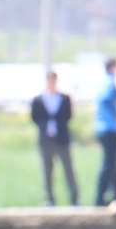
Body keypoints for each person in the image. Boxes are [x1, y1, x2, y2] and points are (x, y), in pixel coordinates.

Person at [30, 70, 80, 205]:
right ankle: (50, 199)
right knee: (47, 171)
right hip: (46, 139)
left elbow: (68, 116)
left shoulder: (64, 98)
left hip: (62, 139)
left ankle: (75, 198)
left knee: (68, 169)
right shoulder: (38, 100)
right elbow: (35, 117)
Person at [92, 56, 116, 206]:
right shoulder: (110, 83)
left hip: (103, 127)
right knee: (109, 163)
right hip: (110, 127)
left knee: (111, 163)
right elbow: (108, 100)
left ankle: (114, 195)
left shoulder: (102, 82)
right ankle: (100, 197)